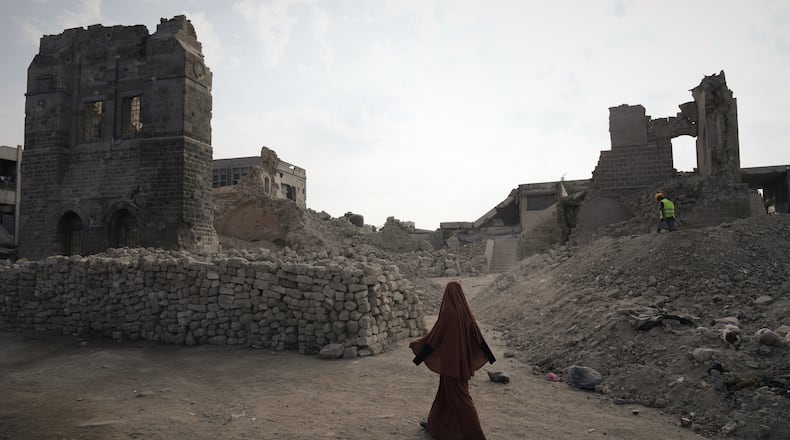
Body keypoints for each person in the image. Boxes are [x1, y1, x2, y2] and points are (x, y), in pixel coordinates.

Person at [410, 281, 496, 439]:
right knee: (444, 395)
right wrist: (489, 356)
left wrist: (419, 353)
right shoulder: (466, 313)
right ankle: (434, 423)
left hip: (451, 366)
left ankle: (477, 436)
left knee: (462, 400)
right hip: (461, 365)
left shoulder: (448, 312)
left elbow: (434, 337)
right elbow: (478, 337)